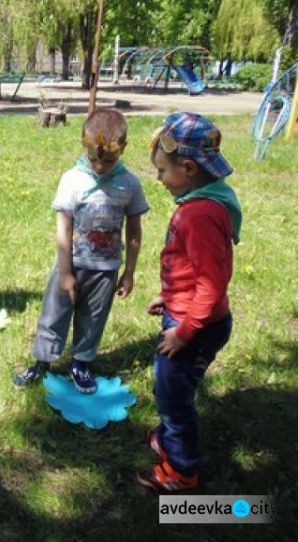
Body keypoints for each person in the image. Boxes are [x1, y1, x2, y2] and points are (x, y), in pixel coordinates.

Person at [137, 112, 241, 492]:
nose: (159, 179)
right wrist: (168, 297)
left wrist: (184, 332)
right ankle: (168, 436)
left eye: (163, 171)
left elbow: (211, 284)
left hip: (196, 327)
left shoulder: (199, 215)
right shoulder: (206, 200)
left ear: (189, 168)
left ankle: (180, 471)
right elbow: (192, 272)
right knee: (171, 388)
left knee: (174, 396)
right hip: (187, 315)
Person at [13, 109, 148, 392]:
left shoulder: (130, 184)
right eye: (94, 158)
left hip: (106, 270)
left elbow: (134, 232)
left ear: (122, 149)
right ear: (83, 146)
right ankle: (42, 363)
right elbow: (63, 228)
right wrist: (65, 272)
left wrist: (129, 272)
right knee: (54, 314)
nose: (100, 166)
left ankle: (80, 363)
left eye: (108, 160)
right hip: (71, 264)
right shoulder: (72, 180)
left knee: (93, 319)